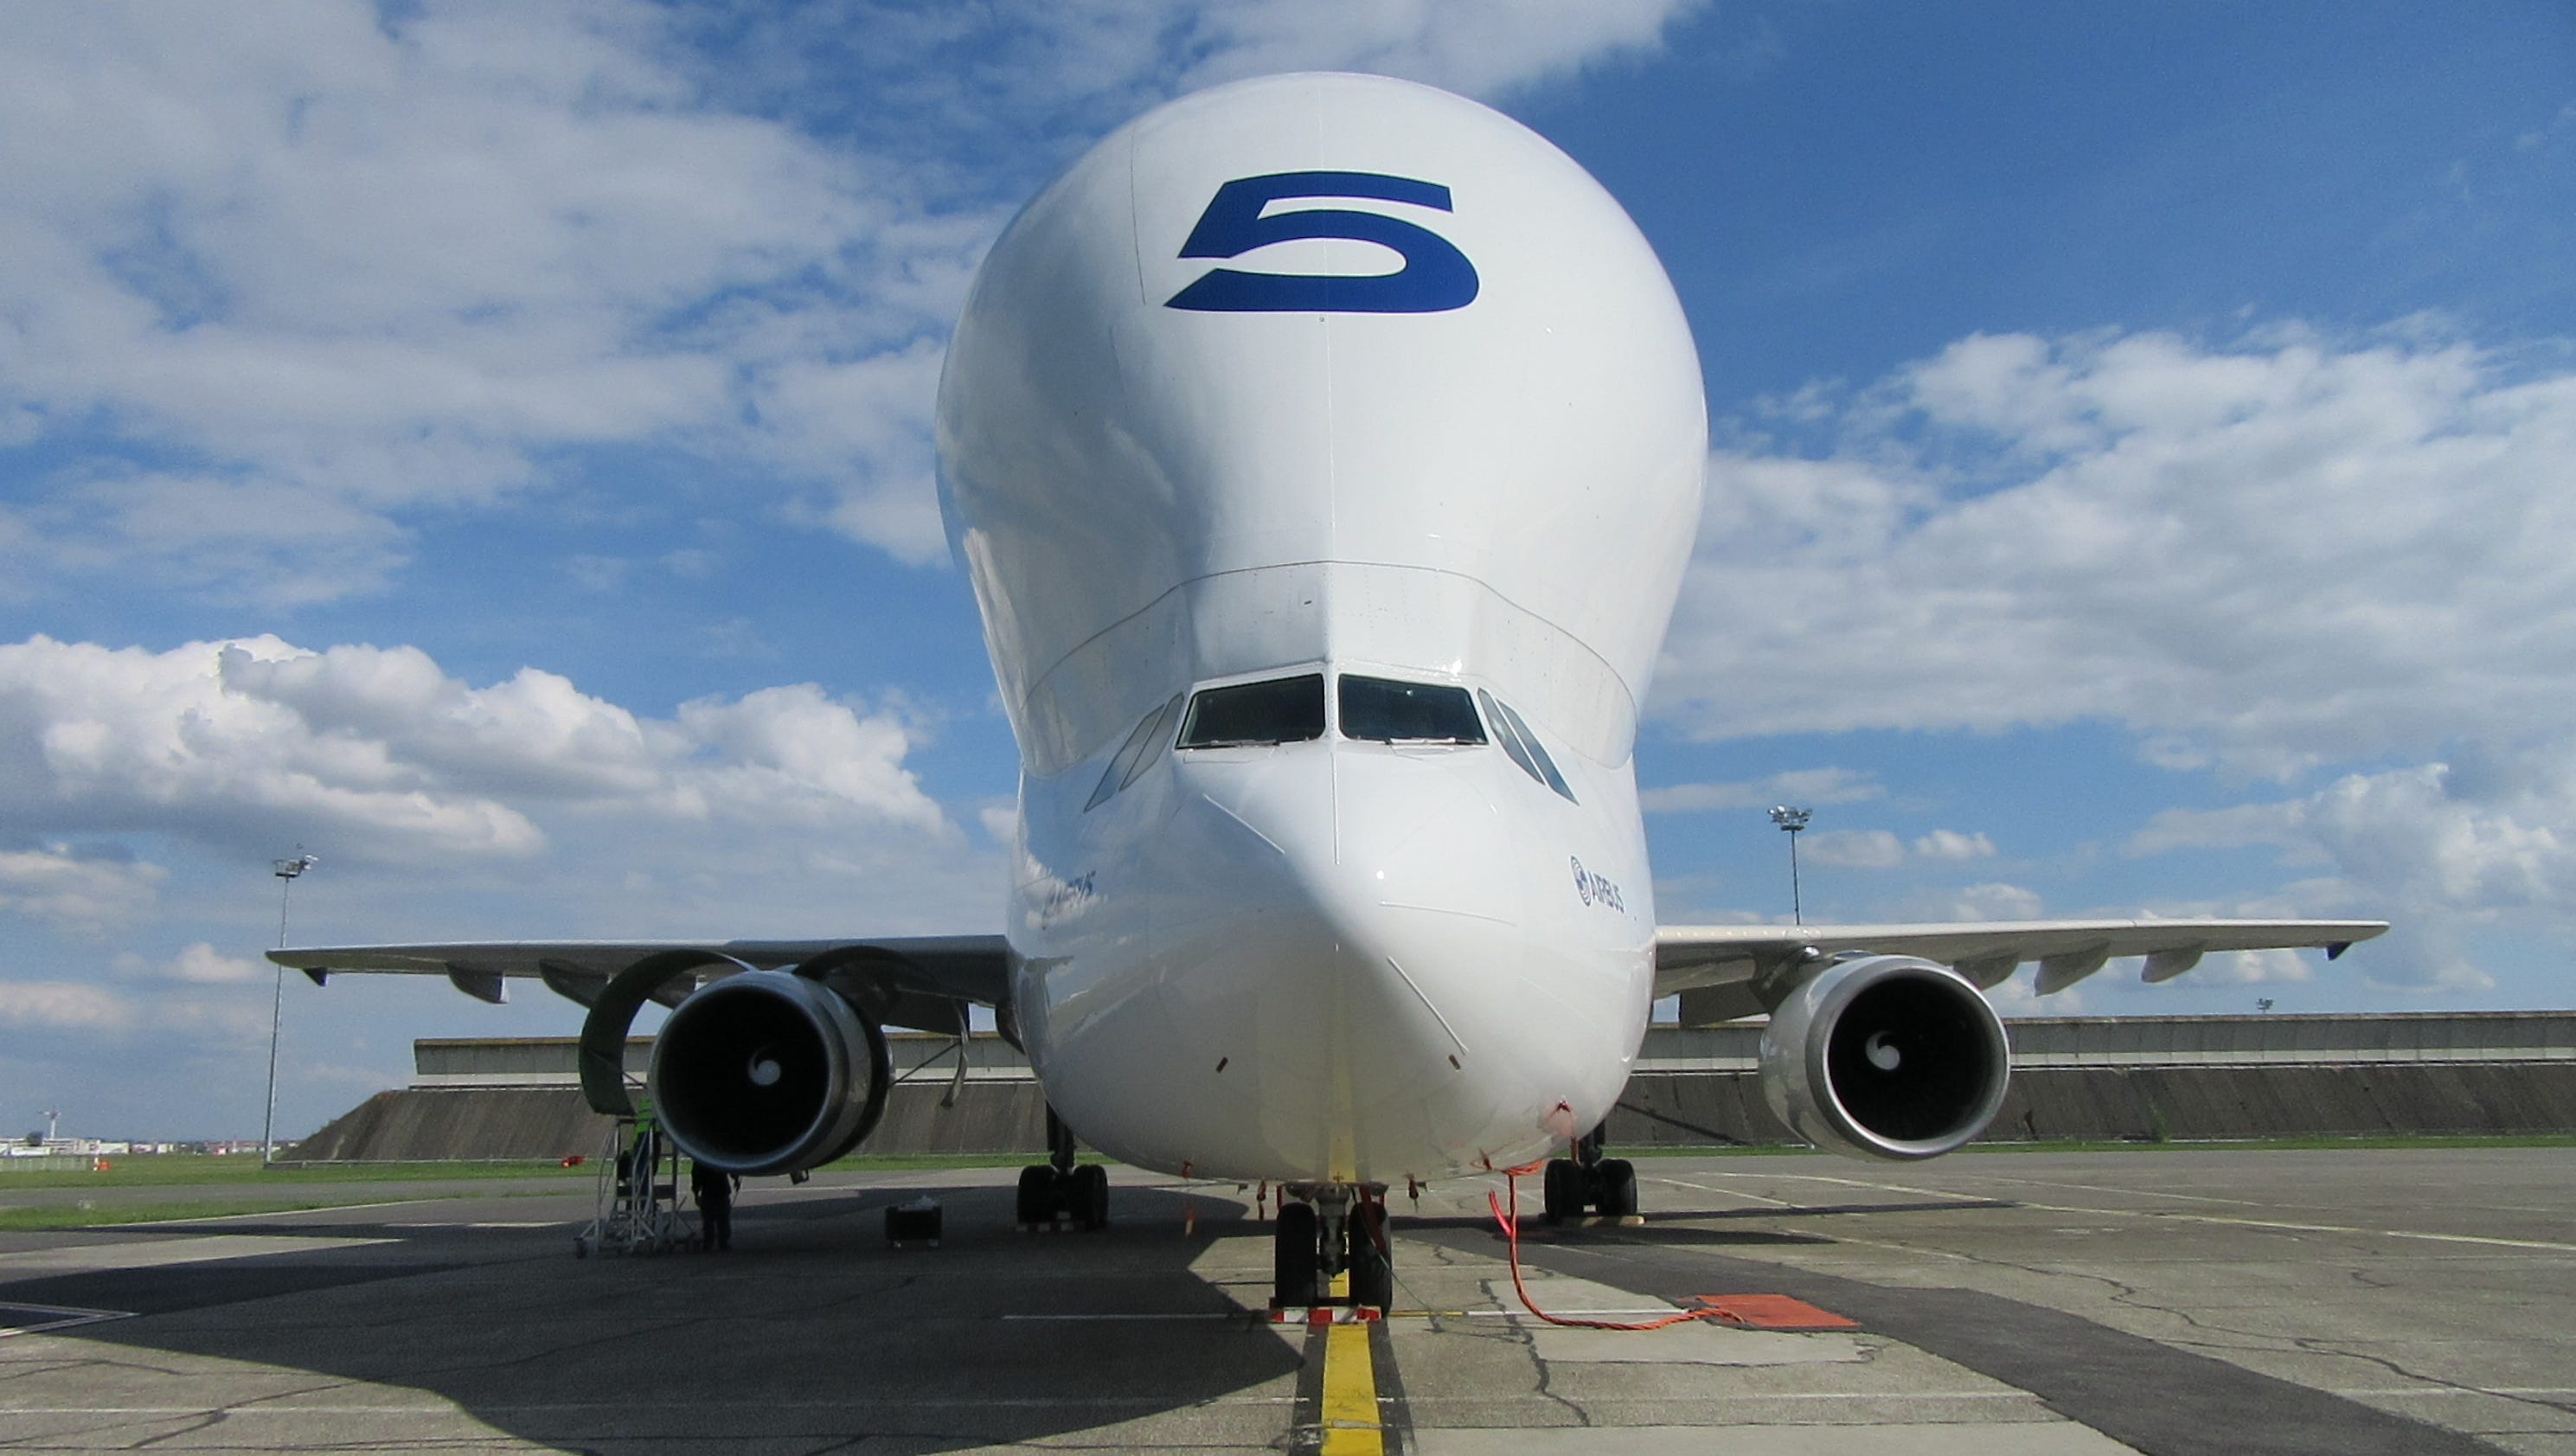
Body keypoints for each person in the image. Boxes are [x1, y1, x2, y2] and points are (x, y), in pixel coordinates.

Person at [690, 1158, 738, 1251]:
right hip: (720, 1192)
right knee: (722, 1219)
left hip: (708, 1192)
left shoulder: (701, 1159)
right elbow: (731, 1167)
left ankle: (709, 1242)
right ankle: (722, 1243)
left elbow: (695, 1177)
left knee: (709, 1221)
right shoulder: (720, 1159)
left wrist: (696, 1193)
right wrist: (736, 1179)